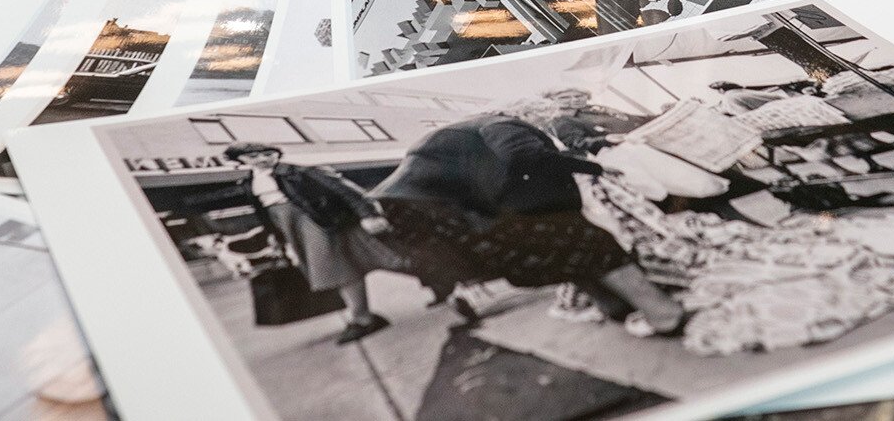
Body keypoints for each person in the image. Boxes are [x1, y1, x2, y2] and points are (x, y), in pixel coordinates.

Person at [369, 99, 688, 335]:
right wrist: (597, 167)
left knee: (565, 242)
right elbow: (524, 156)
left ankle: (616, 307)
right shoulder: (504, 124)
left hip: (421, 210)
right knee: (592, 240)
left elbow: (506, 171)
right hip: (438, 209)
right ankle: (665, 315)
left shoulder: (475, 129)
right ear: (532, 115)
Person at [221, 141, 399, 343]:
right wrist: (275, 236)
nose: (262, 159)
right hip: (289, 226)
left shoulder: (300, 171)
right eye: (253, 157)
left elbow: (344, 189)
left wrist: (369, 214)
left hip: (315, 221)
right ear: (240, 160)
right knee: (334, 270)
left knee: (339, 269)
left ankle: (363, 319)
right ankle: (362, 317)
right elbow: (265, 212)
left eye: (268, 153)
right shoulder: (249, 182)